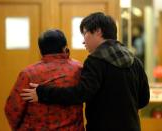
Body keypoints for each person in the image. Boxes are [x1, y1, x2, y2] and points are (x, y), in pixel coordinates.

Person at [21, 12, 150, 131]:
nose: (83, 41)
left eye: (85, 33)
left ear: (98, 31)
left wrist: (43, 92)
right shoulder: (135, 61)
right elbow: (144, 99)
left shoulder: (96, 61)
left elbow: (80, 94)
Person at [5, 29, 84, 131]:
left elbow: (12, 110)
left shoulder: (28, 74)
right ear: (65, 48)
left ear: (41, 50)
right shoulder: (79, 69)